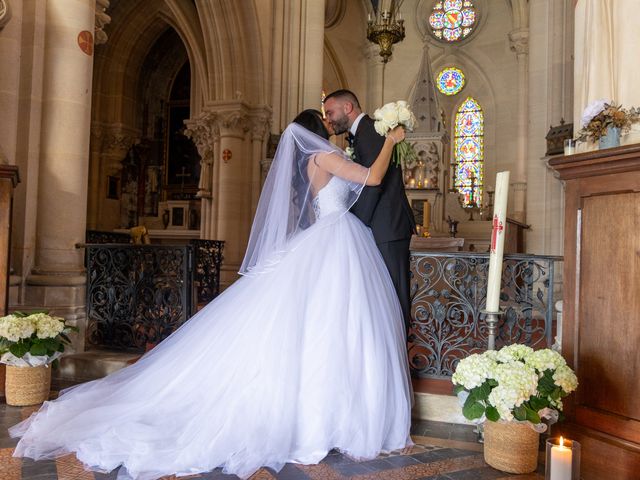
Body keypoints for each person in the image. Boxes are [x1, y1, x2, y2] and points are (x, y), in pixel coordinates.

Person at [10, 109, 412, 480]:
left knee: (321, 327)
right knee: (334, 327)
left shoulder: (310, 163)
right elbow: (373, 179)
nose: (329, 130)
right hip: (337, 244)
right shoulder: (323, 159)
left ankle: (323, 416)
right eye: (324, 127)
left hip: (328, 243)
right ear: (314, 134)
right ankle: (330, 417)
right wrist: (391, 141)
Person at [323, 90, 416, 334]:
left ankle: (399, 348)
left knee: (394, 294)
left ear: (347, 107)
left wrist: (354, 223)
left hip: (387, 225)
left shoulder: (370, 132)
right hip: (382, 224)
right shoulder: (361, 134)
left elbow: (375, 184)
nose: (329, 119)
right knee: (384, 293)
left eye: (330, 112)